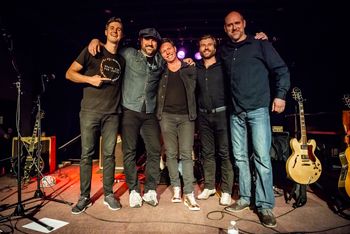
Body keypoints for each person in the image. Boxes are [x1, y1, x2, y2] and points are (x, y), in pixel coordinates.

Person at [221, 11, 290, 228]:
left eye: (237, 23)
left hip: (258, 109)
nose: (234, 28)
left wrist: (280, 95)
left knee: (262, 158)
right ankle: (244, 198)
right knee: (240, 158)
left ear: (244, 24)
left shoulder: (260, 44)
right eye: (229, 25)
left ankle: (264, 205)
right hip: (236, 112)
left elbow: (281, 70)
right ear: (225, 28)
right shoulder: (224, 50)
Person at [88, 28, 165, 208]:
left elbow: (174, 64)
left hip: (149, 113)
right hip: (129, 110)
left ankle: (151, 190)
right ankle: (134, 191)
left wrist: (187, 61)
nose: (150, 43)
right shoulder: (129, 54)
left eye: (153, 41)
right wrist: (96, 40)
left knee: (154, 150)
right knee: (129, 152)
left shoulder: (160, 61)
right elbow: (110, 49)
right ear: (140, 41)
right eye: (147, 40)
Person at [66, 17, 125, 214]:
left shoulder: (122, 59)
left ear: (122, 34)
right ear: (105, 31)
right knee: (86, 155)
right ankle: (84, 197)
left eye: (119, 29)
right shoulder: (92, 51)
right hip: (90, 112)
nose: (115, 31)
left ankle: (108, 194)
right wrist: (89, 80)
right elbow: (70, 73)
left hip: (112, 114)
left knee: (109, 156)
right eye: (112, 28)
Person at [156, 38, 199, 211]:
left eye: (169, 48)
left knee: (186, 154)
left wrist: (191, 61)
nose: (167, 52)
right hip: (166, 117)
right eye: (163, 51)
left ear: (175, 49)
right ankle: (176, 188)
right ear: (161, 55)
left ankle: (189, 192)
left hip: (186, 118)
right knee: (171, 154)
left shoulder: (189, 68)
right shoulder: (160, 71)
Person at [195, 35, 233, 206]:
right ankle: (209, 186)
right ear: (199, 48)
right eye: (203, 45)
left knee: (224, 153)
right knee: (207, 153)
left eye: (209, 45)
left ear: (215, 48)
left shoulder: (223, 66)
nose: (206, 47)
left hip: (222, 115)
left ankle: (226, 191)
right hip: (203, 116)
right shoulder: (196, 67)